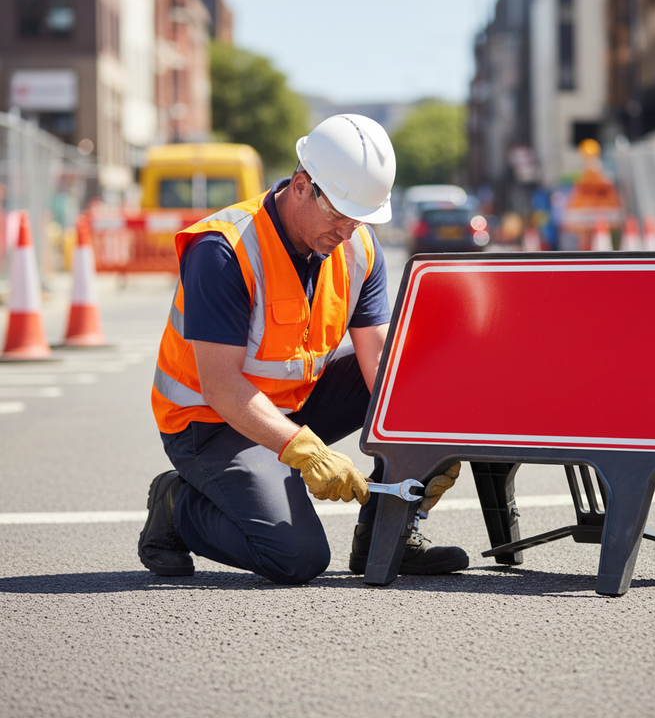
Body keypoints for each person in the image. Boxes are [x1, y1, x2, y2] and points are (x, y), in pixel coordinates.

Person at [138, 114, 467, 584]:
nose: (346, 232)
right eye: (337, 215)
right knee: (296, 558)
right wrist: (304, 451)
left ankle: (385, 536)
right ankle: (176, 505)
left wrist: (422, 443)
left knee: (410, 379)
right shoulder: (225, 249)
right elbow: (221, 386)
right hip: (209, 423)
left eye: (358, 220)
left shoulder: (359, 249)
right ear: (299, 186)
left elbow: (377, 363)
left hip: (289, 405)